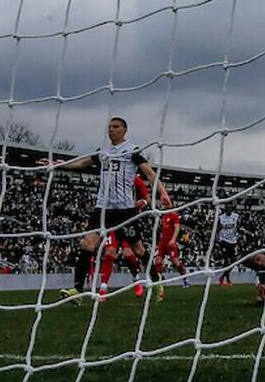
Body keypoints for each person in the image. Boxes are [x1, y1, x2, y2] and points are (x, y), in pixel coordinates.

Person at [39, 117, 171, 305]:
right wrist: (58, 164)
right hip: (103, 208)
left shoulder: (132, 150)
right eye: (109, 127)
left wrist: (163, 194)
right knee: (87, 244)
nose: (111, 130)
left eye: (115, 127)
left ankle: (156, 280)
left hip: (125, 210)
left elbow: (149, 174)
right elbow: (83, 162)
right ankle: (77, 290)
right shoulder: (104, 151)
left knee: (138, 249)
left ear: (125, 130)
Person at [97, 174, 150, 299]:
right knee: (109, 253)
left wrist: (143, 202)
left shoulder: (136, 180)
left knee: (129, 255)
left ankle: (136, 279)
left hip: (128, 223)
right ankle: (103, 288)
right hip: (112, 222)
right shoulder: (110, 179)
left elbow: (148, 198)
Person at [153, 203, 189, 302]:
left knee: (175, 262)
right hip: (162, 242)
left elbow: (177, 228)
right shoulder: (164, 215)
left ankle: (185, 277)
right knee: (158, 262)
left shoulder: (174, 215)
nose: (163, 204)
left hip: (170, 242)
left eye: (165, 203)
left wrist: (173, 239)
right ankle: (159, 284)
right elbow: (163, 230)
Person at [216, 205, 240, 286]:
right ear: (225, 210)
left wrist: (238, 236)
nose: (228, 210)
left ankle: (223, 277)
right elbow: (217, 229)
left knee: (234, 261)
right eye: (227, 209)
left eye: (230, 209)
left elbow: (238, 227)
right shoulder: (221, 218)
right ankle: (228, 280)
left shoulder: (236, 217)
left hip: (233, 241)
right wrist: (218, 240)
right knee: (227, 261)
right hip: (224, 241)